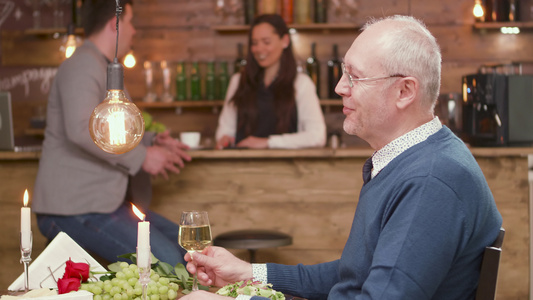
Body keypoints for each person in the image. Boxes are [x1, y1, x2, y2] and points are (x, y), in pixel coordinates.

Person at [181, 15, 503, 299]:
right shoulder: (411, 160)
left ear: (404, 91)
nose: (339, 87)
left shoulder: (430, 180)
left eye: (354, 76)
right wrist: (249, 273)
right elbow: (354, 275)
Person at [32, 0, 190, 267]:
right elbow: (81, 129)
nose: (134, 30)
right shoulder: (82, 65)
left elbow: (110, 129)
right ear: (114, 24)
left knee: (186, 247)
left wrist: (151, 140)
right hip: (74, 209)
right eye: (130, 21)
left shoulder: (101, 65)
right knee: (170, 263)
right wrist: (143, 157)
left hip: (105, 204)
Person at [215, 14, 326, 150]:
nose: (259, 49)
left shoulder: (301, 83)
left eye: (266, 42)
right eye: (254, 43)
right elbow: (225, 130)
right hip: (241, 167)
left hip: (287, 168)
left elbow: (317, 136)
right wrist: (225, 138)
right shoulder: (237, 81)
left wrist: (268, 142)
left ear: (285, 41)